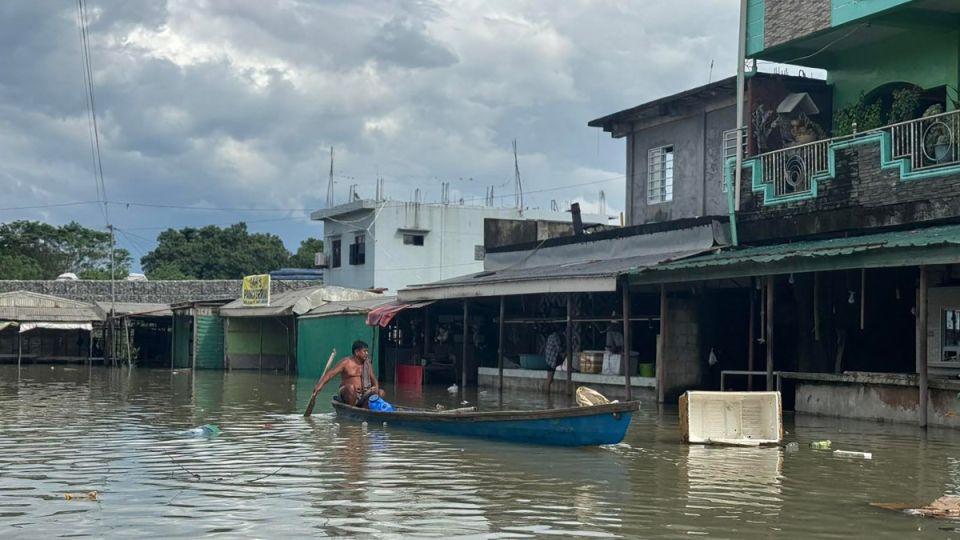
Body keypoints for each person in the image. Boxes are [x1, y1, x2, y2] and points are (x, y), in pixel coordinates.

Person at [313, 340, 385, 406]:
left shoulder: (367, 364)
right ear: (357, 352)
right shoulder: (346, 362)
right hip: (347, 394)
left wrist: (376, 389)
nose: (367, 353)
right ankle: (352, 409)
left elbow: (374, 379)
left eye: (367, 351)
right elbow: (330, 374)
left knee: (381, 392)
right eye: (364, 351)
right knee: (351, 388)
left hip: (363, 394)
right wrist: (320, 385)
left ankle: (366, 409)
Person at [544, 325, 564, 393]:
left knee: (549, 379)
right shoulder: (555, 337)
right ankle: (547, 394)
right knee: (549, 380)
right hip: (552, 360)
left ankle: (547, 397)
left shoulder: (550, 336)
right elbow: (559, 349)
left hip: (548, 359)